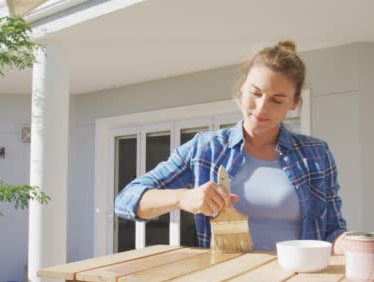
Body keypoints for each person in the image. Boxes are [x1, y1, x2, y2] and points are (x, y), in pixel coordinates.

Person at [115, 40, 348, 253]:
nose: (262, 107)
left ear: (294, 103)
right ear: (241, 89)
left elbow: (332, 232)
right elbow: (126, 201)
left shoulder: (316, 155)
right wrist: (183, 198)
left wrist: (357, 245)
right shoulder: (205, 149)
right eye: (255, 93)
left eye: (277, 100)